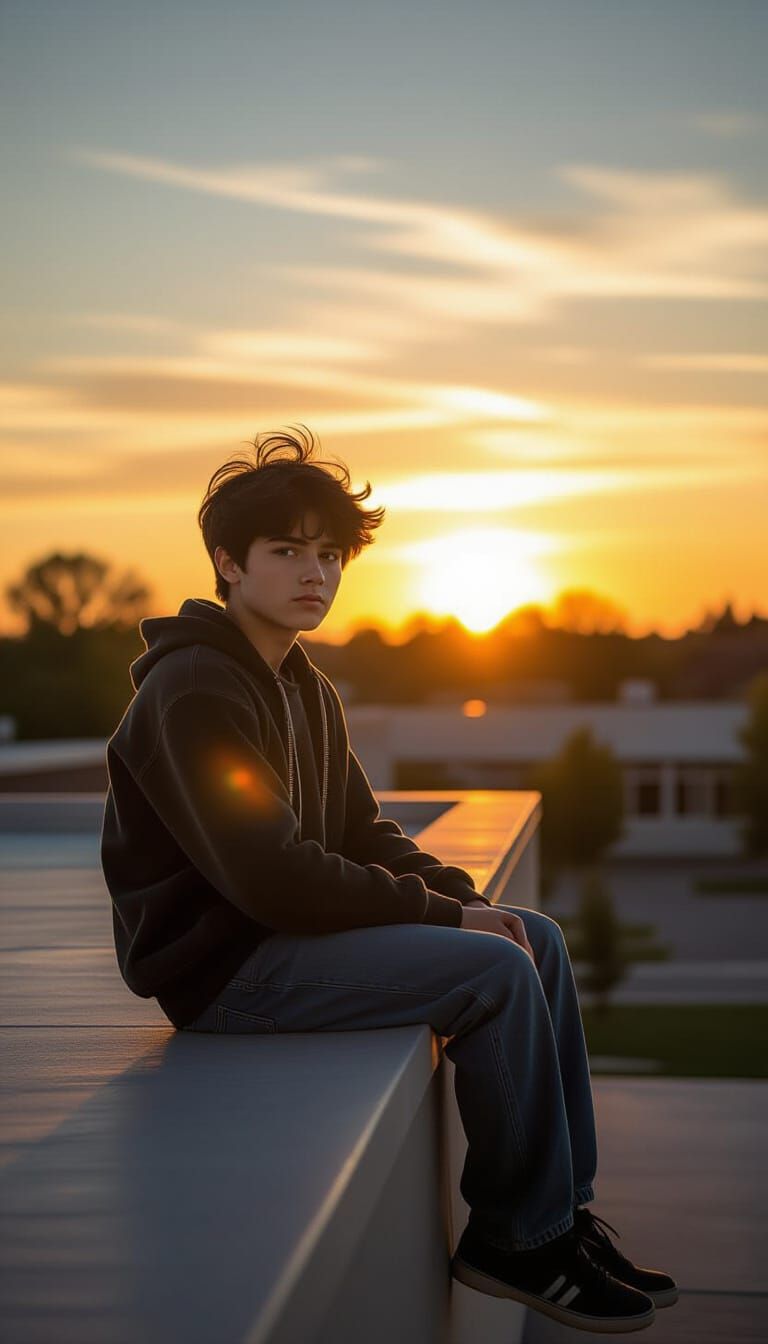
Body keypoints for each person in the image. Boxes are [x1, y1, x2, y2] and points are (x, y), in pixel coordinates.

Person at [101, 425, 677, 1333]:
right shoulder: (194, 689)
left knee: (536, 938)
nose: (314, 574)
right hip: (224, 972)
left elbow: (363, 833)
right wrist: (452, 927)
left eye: (329, 555)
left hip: (285, 943)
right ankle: (513, 1242)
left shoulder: (303, 686)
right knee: (489, 971)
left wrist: (473, 906)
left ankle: (561, 1219)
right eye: (286, 551)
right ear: (227, 562)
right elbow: (274, 878)